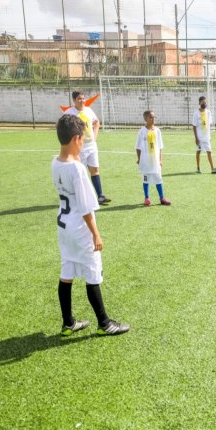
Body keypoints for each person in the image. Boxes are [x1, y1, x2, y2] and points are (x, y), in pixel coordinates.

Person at [52, 115, 129, 336]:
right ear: (76, 139)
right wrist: (96, 234)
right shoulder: (77, 169)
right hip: (79, 228)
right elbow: (86, 208)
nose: (84, 143)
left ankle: (68, 322)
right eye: (83, 140)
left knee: (67, 271)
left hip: (63, 226)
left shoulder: (55, 162)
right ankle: (104, 323)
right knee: (92, 272)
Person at [63, 91, 111, 205]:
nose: (82, 101)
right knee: (80, 173)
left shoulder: (88, 110)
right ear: (74, 100)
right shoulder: (69, 113)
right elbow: (61, 126)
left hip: (92, 146)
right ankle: (77, 197)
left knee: (95, 171)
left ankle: (100, 196)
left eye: (83, 98)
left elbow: (96, 122)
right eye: (79, 99)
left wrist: (94, 136)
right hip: (79, 148)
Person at [136, 110, 171, 206]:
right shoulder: (142, 132)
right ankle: (147, 198)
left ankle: (162, 198)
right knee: (146, 179)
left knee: (158, 179)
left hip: (155, 161)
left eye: (154, 117)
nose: (153, 119)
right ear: (146, 119)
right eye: (151, 117)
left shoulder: (157, 131)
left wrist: (160, 159)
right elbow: (138, 147)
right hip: (146, 161)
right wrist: (139, 159)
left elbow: (160, 147)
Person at [192, 96, 216, 174]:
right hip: (199, 137)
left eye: (205, 102)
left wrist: (209, 136)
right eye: (202, 102)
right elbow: (194, 126)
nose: (204, 104)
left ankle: (212, 168)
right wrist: (196, 138)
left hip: (206, 137)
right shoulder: (196, 113)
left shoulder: (208, 112)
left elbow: (208, 124)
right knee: (198, 151)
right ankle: (198, 168)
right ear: (199, 103)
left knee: (209, 151)